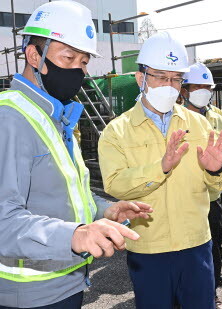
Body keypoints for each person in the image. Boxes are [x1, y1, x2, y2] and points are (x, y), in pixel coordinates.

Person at [0, 2, 152, 309]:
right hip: (29, 296)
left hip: (66, 283)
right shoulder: (10, 118)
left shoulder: (55, 115)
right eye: (68, 57)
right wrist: (75, 235)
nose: (79, 71)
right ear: (34, 56)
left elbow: (62, 195)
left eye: (83, 61)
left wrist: (104, 211)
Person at [98, 32, 222, 309]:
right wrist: (159, 168)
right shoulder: (117, 130)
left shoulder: (198, 124)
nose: (169, 86)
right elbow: (115, 183)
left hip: (196, 244)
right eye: (160, 77)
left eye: (175, 79)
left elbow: (221, 180)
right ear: (141, 79)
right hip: (149, 248)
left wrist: (216, 170)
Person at [181, 62, 222, 309]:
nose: (203, 91)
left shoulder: (216, 115)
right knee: (185, 246)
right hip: (185, 191)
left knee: (212, 242)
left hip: (212, 190)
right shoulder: (174, 115)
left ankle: (211, 291)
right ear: (184, 90)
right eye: (197, 86)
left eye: (207, 87)